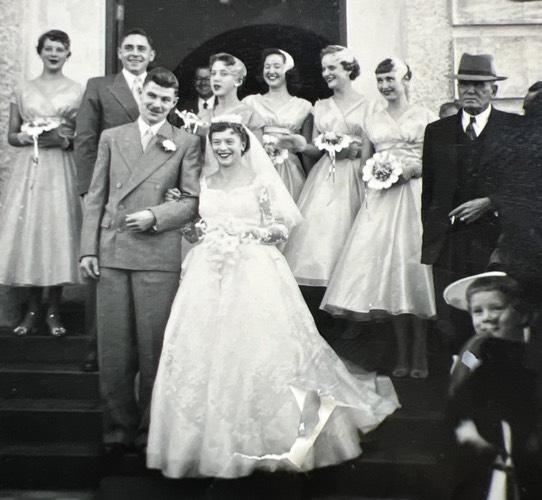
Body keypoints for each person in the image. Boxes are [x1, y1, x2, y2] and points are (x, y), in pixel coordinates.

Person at [146, 117, 399, 478]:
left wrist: (243, 234)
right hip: (208, 274)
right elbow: (195, 230)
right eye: (217, 143)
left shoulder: (261, 182)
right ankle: (207, 443)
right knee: (205, 348)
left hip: (253, 271)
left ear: (243, 145)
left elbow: (280, 228)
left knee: (261, 347)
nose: (222, 148)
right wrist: (196, 227)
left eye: (229, 142)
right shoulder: (205, 181)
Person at [79, 67, 202, 458]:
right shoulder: (112, 137)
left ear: (174, 103)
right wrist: (88, 249)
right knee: (114, 347)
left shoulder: (186, 142)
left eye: (165, 100)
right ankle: (117, 429)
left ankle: (151, 430)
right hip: (113, 250)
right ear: (141, 96)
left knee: (153, 347)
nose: (156, 104)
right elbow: (96, 196)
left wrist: (155, 216)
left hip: (156, 253)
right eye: (151, 96)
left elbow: (193, 202)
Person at [321, 59, 437, 379]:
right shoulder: (372, 120)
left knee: (413, 269)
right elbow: (364, 164)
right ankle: (402, 351)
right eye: (381, 80)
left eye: (391, 79)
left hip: (415, 196)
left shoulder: (426, 117)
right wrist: (377, 173)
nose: (385, 86)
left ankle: (420, 352)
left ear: (406, 79)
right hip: (383, 200)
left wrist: (413, 169)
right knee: (390, 273)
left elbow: (438, 161)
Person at [421, 53, 522, 351]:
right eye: (465, 84)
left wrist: (491, 202)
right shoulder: (437, 131)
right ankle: (462, 371)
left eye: (479, 85)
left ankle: (492, 375)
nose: (470, 90)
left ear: (494, 89)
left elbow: (527, 185)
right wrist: (433, 236)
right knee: (451, 322)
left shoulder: (514, 128)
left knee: (495, 321)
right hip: (449, 243)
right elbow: (429, 191)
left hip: (496, 241)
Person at [74, 27, 156, 372]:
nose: (135, 53)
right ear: (120, 53)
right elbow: (85, 141)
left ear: (151, 55)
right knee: (104, 271)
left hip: (151, 191)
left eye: (142, 48)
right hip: (111, 192)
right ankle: (98, 350)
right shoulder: (99, 86)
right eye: (129, 48)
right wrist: (87, 191)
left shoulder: (160, 87)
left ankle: (138, 353)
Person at [0, 30, 83, 337]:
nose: (54, 54)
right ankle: (33, 309)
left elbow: (82, 135)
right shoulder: (24, 89)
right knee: (33, 231)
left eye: (60, 49)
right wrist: (26, 136)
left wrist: (63, 140)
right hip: (31, 167)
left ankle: (53, 309)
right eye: (49, 48)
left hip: (60, 166)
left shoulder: (78, 90)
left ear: (68, 54)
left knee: (57, 231)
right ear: (40, 52)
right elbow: (11, 134)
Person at [283, 45, 377, 288]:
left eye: (332, 67)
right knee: (322, 239)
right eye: (324, 68)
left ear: (349, 69)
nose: (326, 73)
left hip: (356, 174)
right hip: (326, 177)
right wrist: (301, 146)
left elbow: (373, 146)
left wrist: (358, 158)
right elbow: (316, 149)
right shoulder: (321, 106)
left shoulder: (369, 105)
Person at [444, 272, 542, 499]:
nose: (486, 318)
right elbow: (459, 384)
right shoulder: (472, 351)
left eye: (496, 308)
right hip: (487, 439)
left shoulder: (533, 354)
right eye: (477, 312)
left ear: (523, 315)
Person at [243, 48, 313, 201]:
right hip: (258, 170)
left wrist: (311, 181)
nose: (271, 71)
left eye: (277, 66)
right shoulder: (251, 103)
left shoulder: (303, 106)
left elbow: (307, 151)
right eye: (267, 67)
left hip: (291, 173)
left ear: (288, 70)